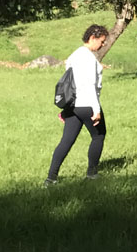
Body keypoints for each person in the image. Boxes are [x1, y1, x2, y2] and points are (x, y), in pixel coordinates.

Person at [45, 24, 108, 186]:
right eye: (101, 41)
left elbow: (69, 84)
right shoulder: (88, 58)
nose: (103, 45)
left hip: (73, 106)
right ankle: (92, 173)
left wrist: (66, 110)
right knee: (98, 135)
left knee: (66, 141)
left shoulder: (74, 55)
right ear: (92, 38)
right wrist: (96, 109)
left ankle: (51, 178)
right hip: (87, 103)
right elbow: (90, 84)